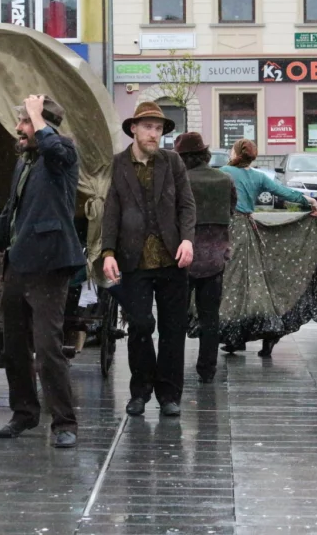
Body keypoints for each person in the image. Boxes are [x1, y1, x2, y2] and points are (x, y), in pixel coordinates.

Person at [0, 95, 84, 449]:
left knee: (48, 347)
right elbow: (13, 209)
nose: (19, 129)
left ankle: (64, 422)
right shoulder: (26, 163)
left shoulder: (62, 154)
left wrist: (37, 115)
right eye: (21, 122)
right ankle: (24, 412)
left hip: (50, 264)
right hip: (19, 263)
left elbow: (55, 150)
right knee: (13, 345)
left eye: (25, 123)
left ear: (42, 125)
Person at [101, 102, 195, 417]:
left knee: (173, 329)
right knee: (140, 325)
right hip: (133, 259)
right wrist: (108, 252)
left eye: (158, 129)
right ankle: (139, 391)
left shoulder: (173, 162)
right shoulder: (118, 164)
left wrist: (187, 239)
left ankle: (169, 394)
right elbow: (111, 210)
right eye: (148, 127)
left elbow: (186, 204)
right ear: (134, 129)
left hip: (172, 259)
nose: (154, 134)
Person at [218, 139, 317, 357]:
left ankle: (239, 334)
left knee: (233, 284)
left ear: (235, 153)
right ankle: (260, 333)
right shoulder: (258, 176)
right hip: (249, 228)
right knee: (256, 281)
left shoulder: (224, 172)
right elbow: (283, 192)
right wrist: (308, 201)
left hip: (231, 230)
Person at [173, 132, 237, 384]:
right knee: (210, 317)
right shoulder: (224, 179)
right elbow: (231, 210)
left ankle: (173, 366)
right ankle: (207, 368)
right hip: (215, 257)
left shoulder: (180, 181)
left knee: (175, 316)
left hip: (182, 256)